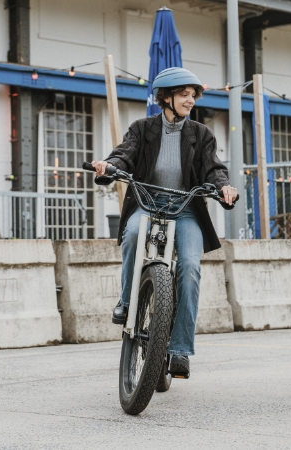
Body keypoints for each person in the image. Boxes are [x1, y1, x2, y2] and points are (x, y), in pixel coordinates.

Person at [90, 67, 238, 379]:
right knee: (131, 234)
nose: (190, 99)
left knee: (189, 266)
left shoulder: (201, 134)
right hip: (147, 203)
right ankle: (126, 300)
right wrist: (109, 166)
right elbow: (123, 157)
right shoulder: (142, 129)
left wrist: (223, 186)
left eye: (193, 95)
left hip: (185, 209)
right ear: (166, 98)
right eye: (184, 94)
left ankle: (181, 348)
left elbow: (214, 169)